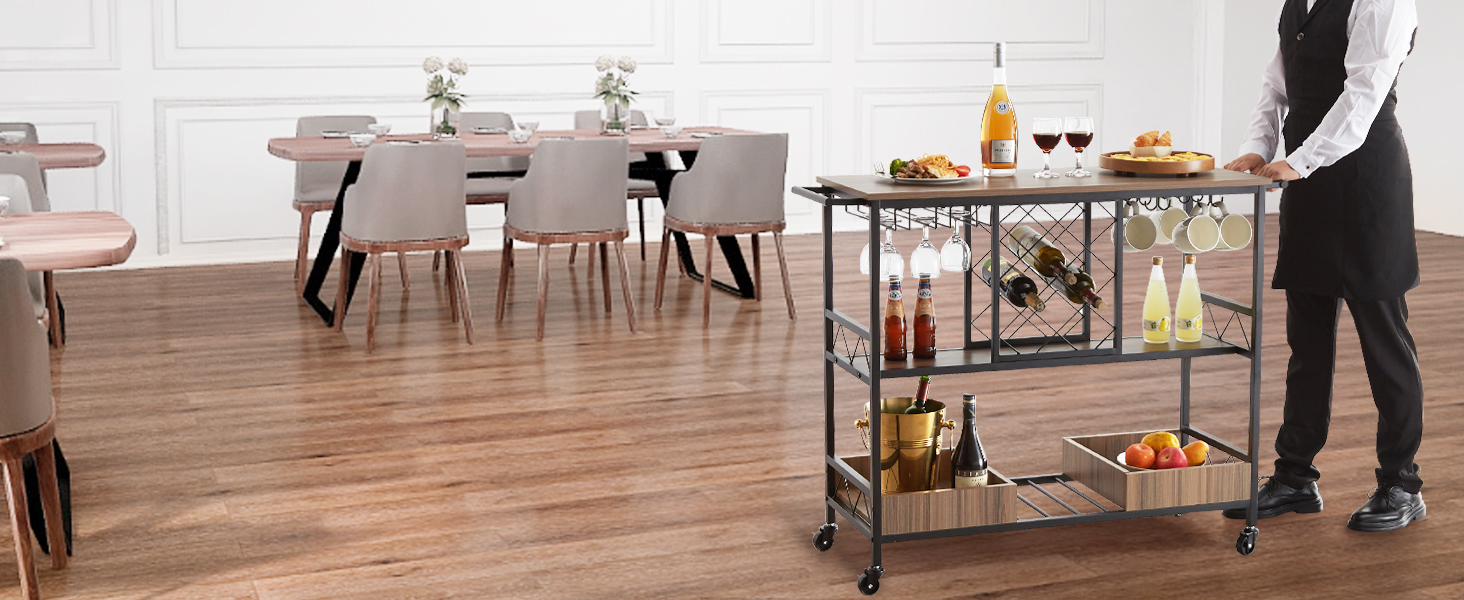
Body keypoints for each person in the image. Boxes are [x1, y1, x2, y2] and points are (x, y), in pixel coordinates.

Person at [1221, 0, 1422, 532]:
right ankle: (1294, 477)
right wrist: (1257, 145)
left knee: (1385, 341)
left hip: (1366, 184)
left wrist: (1301, 159)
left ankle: (1401, 484)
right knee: (1306, 341)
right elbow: (1277, 83)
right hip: (1304, 181)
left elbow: (1365, 91)